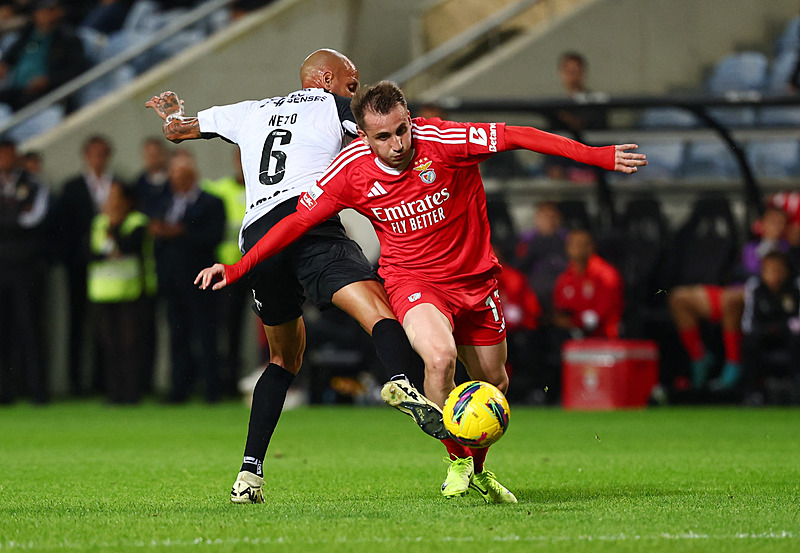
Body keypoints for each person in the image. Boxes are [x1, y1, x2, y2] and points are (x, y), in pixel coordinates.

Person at [195, 81, 646, 503]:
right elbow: (294, 223)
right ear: (363, 137)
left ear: (410, 118)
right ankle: (455, 462)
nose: (397, 145)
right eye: (383, 137)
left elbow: (518, 135)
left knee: (494, 383)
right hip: (413, 282)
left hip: (474, 280)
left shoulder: (446, 142)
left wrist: (597, 156)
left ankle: (479, 468)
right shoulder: (349, 170)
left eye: (402, 131)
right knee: (439, 359)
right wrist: (238, 268)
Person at [145, 49, 438, 505]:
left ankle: (249, 475)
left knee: (283, 360)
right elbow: (390, 139)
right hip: (307, 222)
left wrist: (173, 115)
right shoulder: (336, 108)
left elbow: (179, 131)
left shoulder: (249, 111)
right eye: (350, 82)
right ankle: (402, 380)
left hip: (259, 238)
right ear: (324, 79)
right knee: (378, 309)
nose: (354, 91)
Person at [668, 207, 790, 391]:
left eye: (781, 223)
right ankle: (699, 358)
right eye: (772, 222)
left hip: (755, 298)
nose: (776, 227)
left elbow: (769, 282)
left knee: (731, 300)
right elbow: (735, 273)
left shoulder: (787, 252)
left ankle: (733, 364)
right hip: (732, 293)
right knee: (679, 298)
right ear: (761, 225)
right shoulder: (749, 248)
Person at [149, 150, 225, 404]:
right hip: (171, 280)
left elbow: (213, 237)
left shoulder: (212, 202)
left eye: (182, 174)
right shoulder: (162, 201)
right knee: (177, 335)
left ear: (193, 175)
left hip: (201, 279)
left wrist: (180, 233)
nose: (177, 179)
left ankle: (211, 389)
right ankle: (178, 389)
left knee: (206, 334)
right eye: (174, 174)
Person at [57, 135, 117, 396]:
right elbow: (65, 228)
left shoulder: (118, 184)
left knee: (107, 325)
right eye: (93, 153)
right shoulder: (72, 187)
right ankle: (75, 382)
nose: (98, 159)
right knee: (78, 321)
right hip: (80, 266)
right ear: (85, 155)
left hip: (110, 268)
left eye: (102, 153)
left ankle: (104, 381)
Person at [87, 180, 154, 405]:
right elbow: (89, 253)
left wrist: (113, 229)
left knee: (130, 345)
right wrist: (109, 248)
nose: (111, 202)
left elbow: (129, 246)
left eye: (116, 196)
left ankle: (132, 393)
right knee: (109, 346)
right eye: (109, 196)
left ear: (127, 200)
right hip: (102, 293)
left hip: (129, 293)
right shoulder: (98, 222)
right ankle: (113, 394)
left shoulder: (137, 222)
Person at [0, 138, 50, 404]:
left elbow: (34, 219)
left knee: (30, 329)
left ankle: (37, 390)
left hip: (25, 268)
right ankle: (4, 391)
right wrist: (15, 216)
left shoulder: (33, 183)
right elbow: (21, 219)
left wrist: (9, 219)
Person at [201, 146, 248, 396]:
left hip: (258, 267)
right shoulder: (218, 189)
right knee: (227, 328)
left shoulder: (262, 188)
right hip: (228, 270)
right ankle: (225, 381)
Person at [0, 0, 87, 111]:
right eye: (43, 11)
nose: (46, 14)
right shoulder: (27, 34)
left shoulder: (69, 39)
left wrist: (48, 80)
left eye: (51, 10)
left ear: (59, 12)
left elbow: (75, 70)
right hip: (16, 89)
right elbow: (9, 58)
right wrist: (4, 65)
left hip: (46, 94)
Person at [740, 251, 800, 404]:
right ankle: (752, 392)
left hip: (788, 334)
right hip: (763, 333)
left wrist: (782, 327)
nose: (775, 275)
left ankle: (796, 388)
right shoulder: (755, 288)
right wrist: (764, 330)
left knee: (796, 342)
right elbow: (747, 323)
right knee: (750, 342)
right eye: (770, 270)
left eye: (779, 270)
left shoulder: (795, 288)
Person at [552, 229, 624, 340]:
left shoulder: (605, 274)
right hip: (573, 335)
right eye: (572, 244)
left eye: (580, 244)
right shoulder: (565, 278)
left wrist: (586, 319)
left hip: (604, 336)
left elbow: (608, 307)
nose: (575, 248)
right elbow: (561, 309)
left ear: (591, 247)